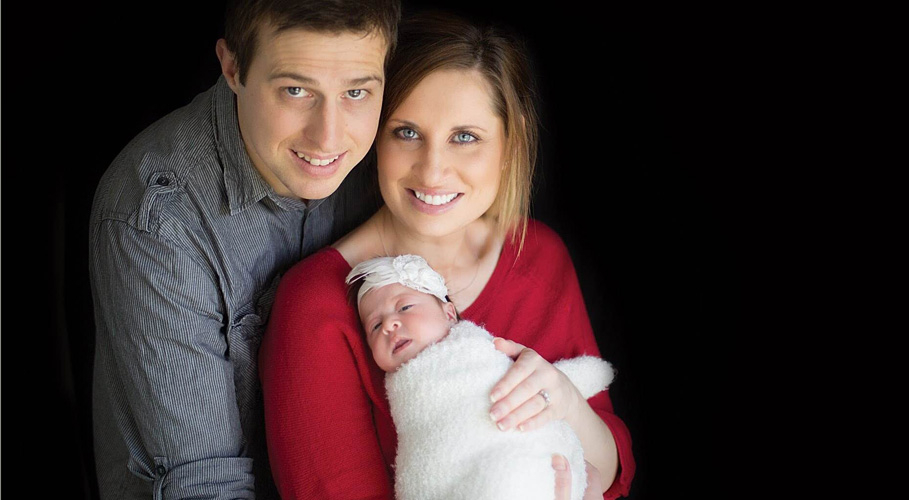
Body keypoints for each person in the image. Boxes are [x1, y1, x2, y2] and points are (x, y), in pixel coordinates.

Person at [258, 11, 635, 499]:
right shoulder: (318, 301)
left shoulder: (537, 255)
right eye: (407, 132)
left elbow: (609, 475)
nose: (432, 171)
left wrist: (567, 402)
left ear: (510, 140)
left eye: (465, 137)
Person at [88, 1, 401, 498]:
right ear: (233, 68)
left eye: (357, 92)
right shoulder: (157, 217)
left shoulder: (390, 159)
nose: (329, 136)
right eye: (296, 90)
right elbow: (208, 487)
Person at [348, 254, 615, 500]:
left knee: (571, 476)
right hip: (458, 478)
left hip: (536, 466)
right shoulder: (400, 392)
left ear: (449, 313)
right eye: (375, 325)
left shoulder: (486, 350)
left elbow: (543, 382)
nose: (389, 326)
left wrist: (576, 384)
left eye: (404, 307)